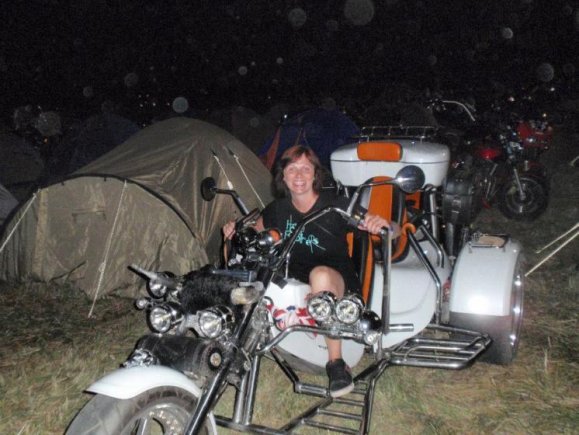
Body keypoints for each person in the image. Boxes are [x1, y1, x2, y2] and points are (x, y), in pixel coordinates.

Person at [223, 145, 395, 398]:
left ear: (315, 174)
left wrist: (381, 224)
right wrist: (234, 230)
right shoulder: (277, 210)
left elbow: (392, 230)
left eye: (306, 168)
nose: (299, 175)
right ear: (283, 176)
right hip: (294, 284)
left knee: (320, 275)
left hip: (335, 284)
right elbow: (253, 231)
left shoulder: (337, 205)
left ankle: (336, 363)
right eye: (292, 169)